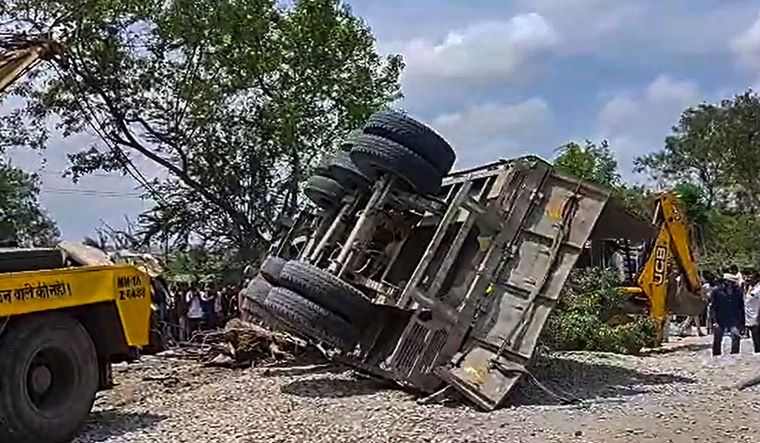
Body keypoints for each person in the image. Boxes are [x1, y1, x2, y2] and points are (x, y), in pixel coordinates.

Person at [710, 276, 745, 356]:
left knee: (736, 336)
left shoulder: (738, 292)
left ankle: (734, 354)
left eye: (732, 282)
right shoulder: (717, 291)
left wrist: (742, 323)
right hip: (720, 318)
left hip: (734, 319)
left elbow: (741, 307)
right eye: (728, 281)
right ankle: (716, 354)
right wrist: (714, 321)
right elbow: (713, 308)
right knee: (717, 337)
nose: (729, 283)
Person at [745, 273, 760, 353]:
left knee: (758, 342)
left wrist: (758, 319)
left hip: (757, 319)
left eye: (751, 277)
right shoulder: (750, 288)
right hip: (750, 318)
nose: (748, 279)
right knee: (754, 340)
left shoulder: (759, 289)